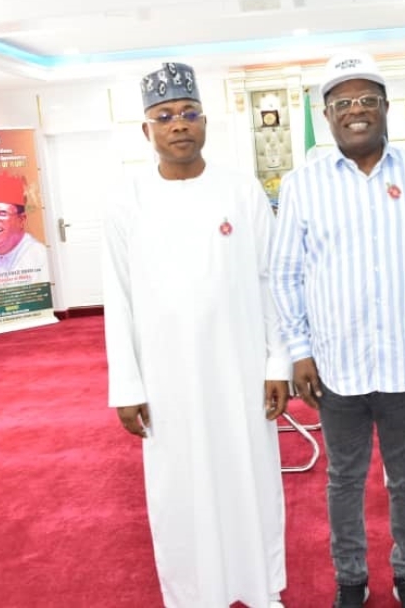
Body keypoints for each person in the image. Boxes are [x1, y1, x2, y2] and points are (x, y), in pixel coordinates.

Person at [269, 51, 405, 608]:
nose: (357, 111)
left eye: (367, 101)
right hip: (336, 363)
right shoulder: (302, 184)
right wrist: (300, 352)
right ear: (327, 116)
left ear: (385, 109)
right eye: (343, 103)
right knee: (344, 480)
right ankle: (350, 579)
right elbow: (285, 274)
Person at [101, 61, 291, 608]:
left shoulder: (240, 188)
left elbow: (269, 278)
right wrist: (126, 387)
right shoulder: (126, 200)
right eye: (164, 117)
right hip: (166, 380)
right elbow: (118, 296)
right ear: (147, 130)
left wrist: (276, 363)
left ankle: (261, 590)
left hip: (239, 371)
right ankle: (192, 597)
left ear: (205, 122)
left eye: (188, 114)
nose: (178, 125)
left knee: (250, 480)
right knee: (178, 490)